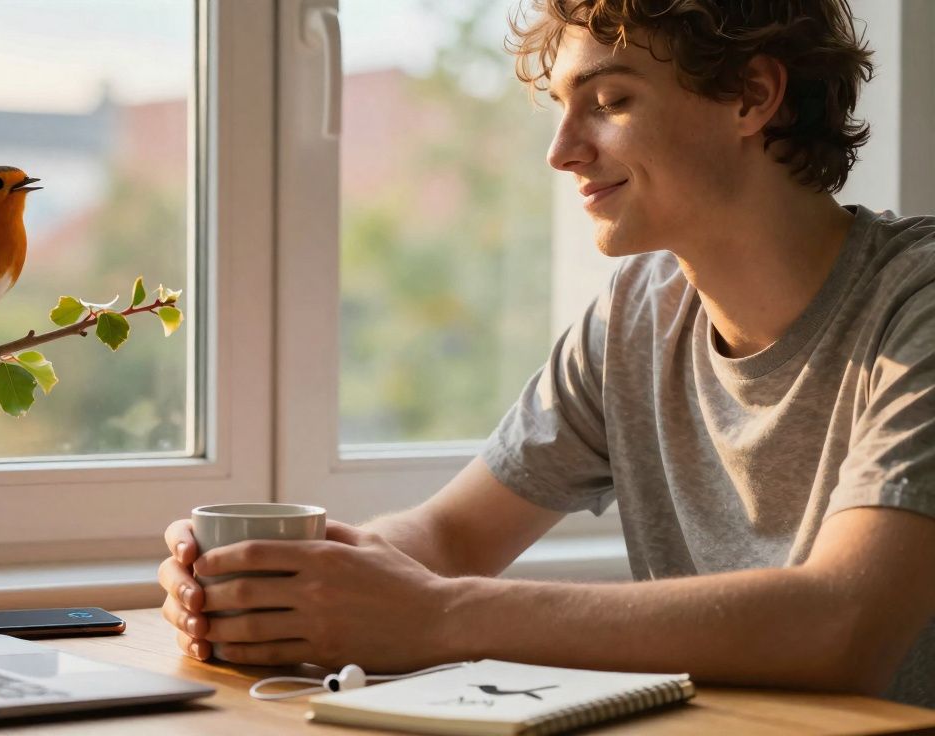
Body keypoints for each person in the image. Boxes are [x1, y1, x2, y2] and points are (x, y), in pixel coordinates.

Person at [158, 0, 935, 707]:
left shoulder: (917, 304)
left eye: (610, 102)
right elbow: (451, 538)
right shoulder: (639, 311)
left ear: (752, 97)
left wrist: (439, 616)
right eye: (562, 108)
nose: (562, 152)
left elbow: (845, 626)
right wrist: (286, 581)